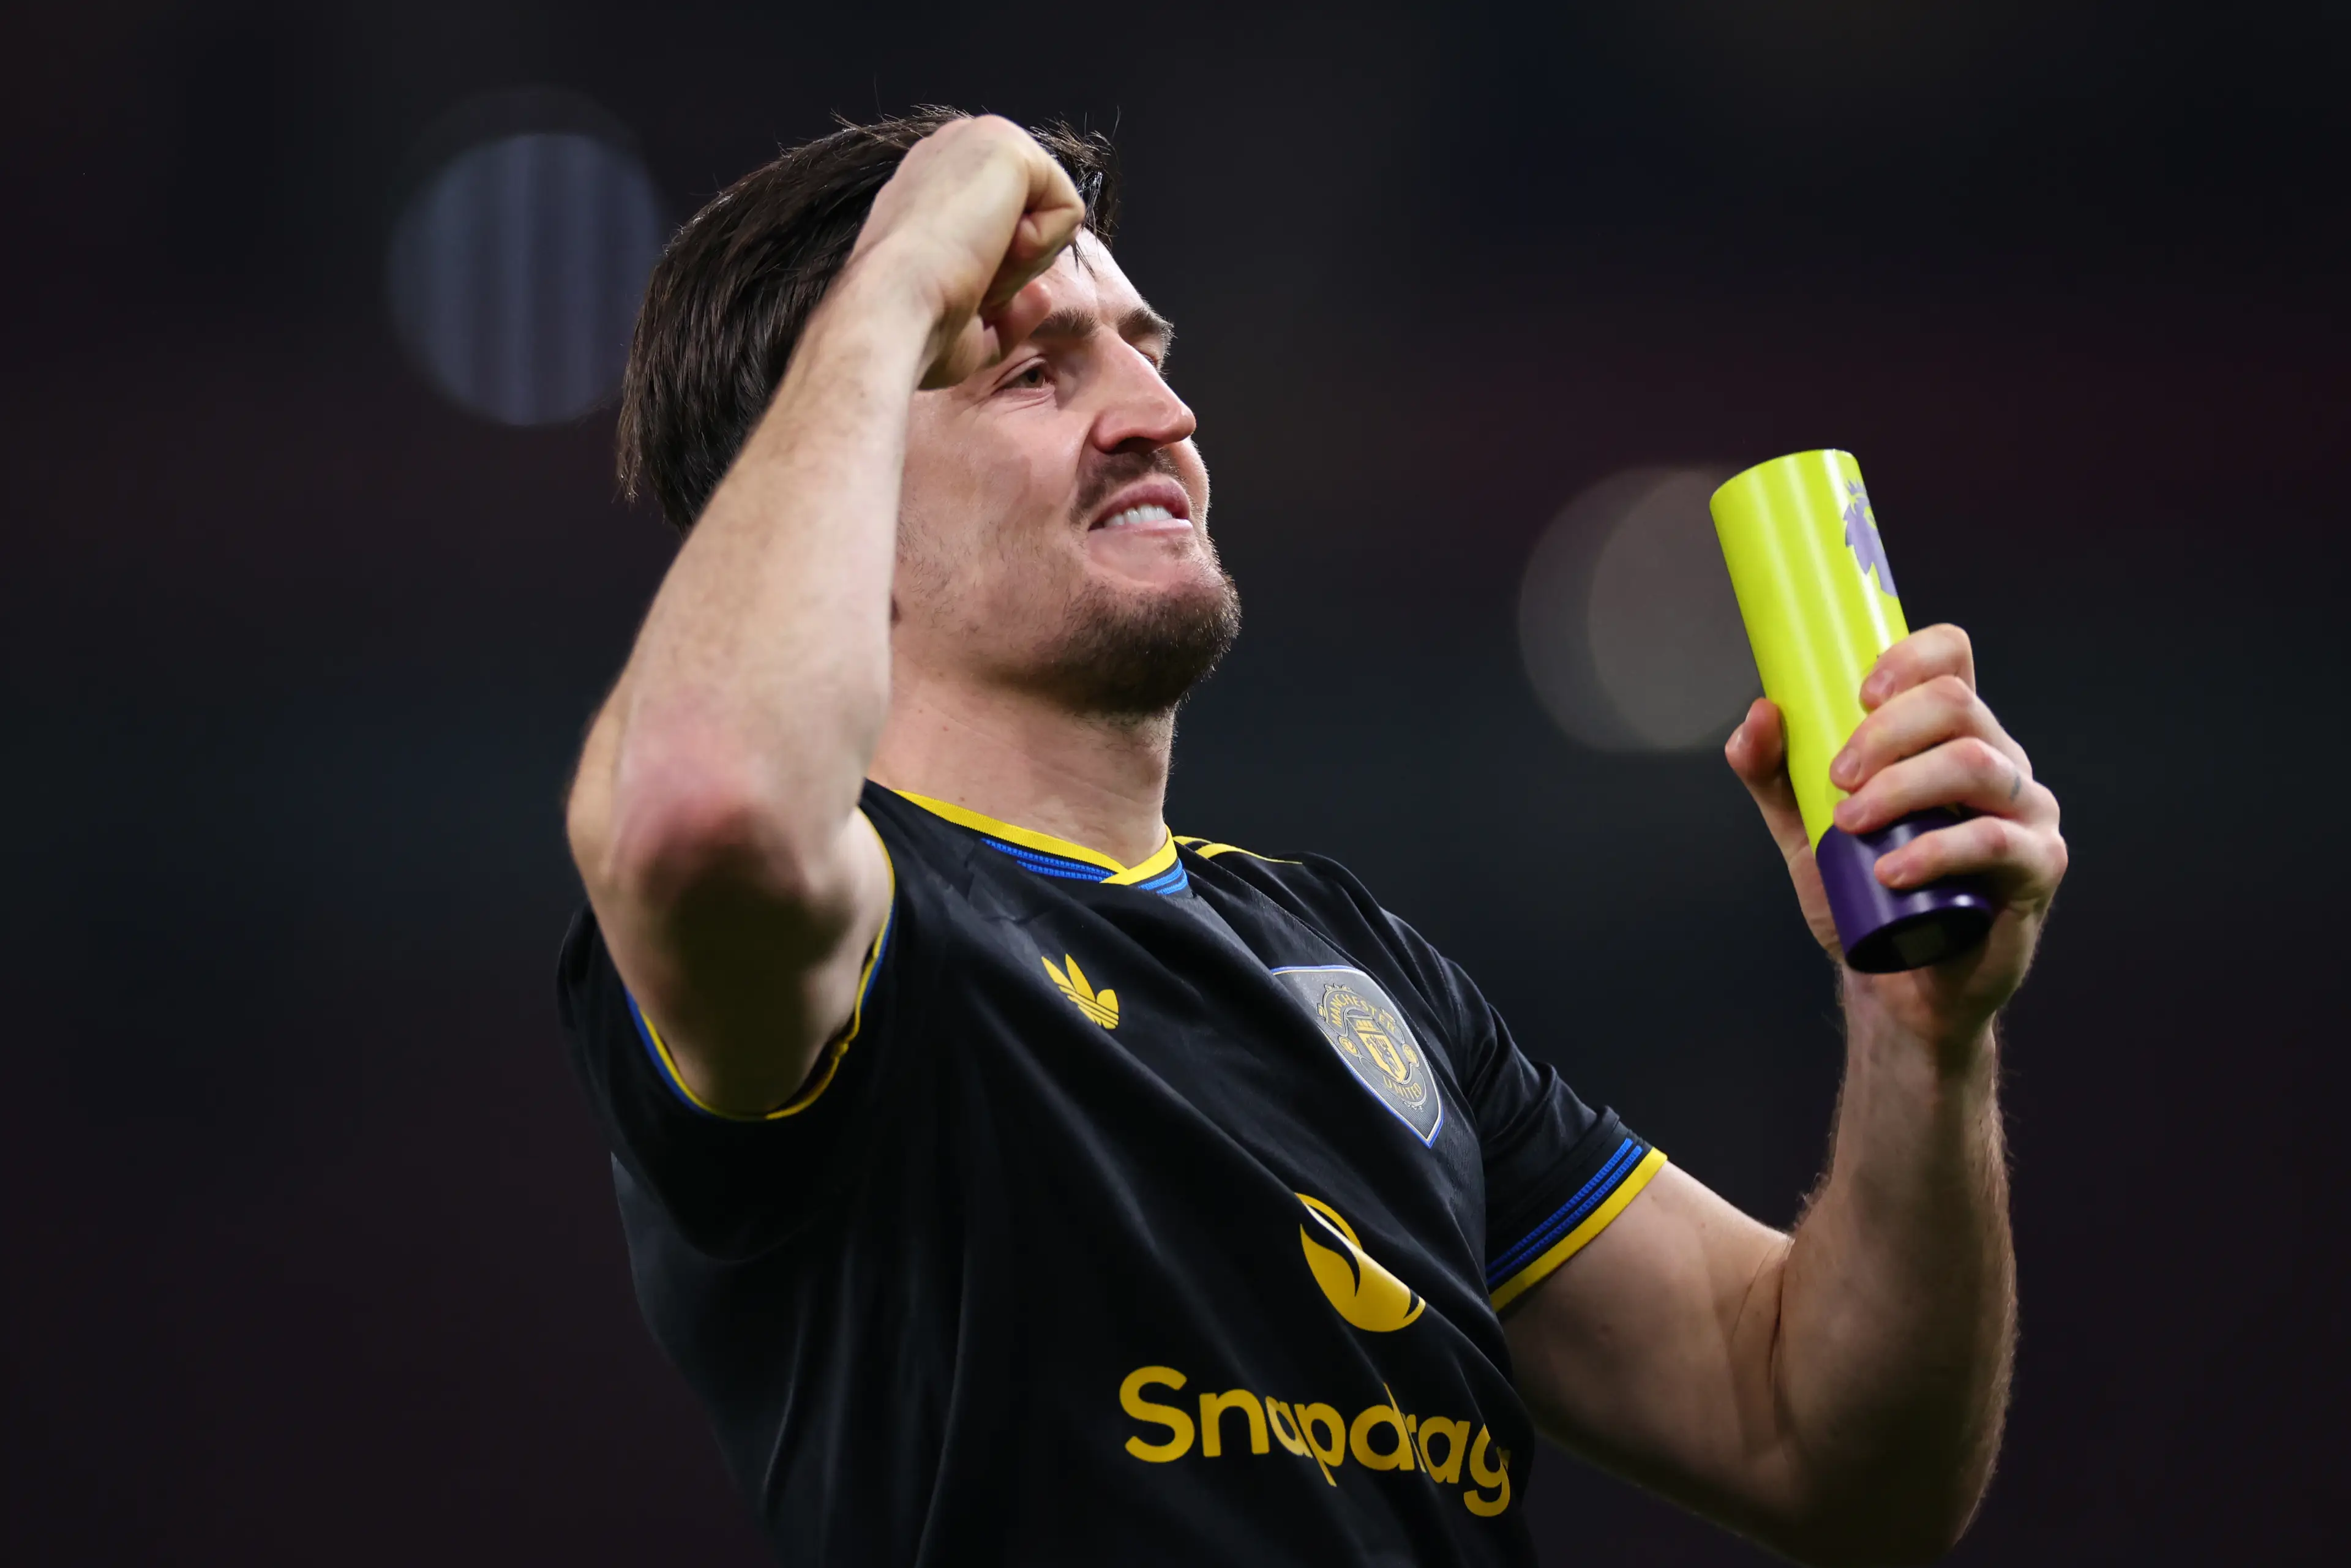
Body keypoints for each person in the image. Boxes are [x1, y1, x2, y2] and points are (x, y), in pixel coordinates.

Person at [556, 110, 2067, 1567]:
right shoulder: (852, 947)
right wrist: (895, 276)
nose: (1160, 414)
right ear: (835, 488)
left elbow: (1832, 1450)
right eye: (1032, 374)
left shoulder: (1355, 964)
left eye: (1146, 353)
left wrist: (1920, 1036)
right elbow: (702, 808)